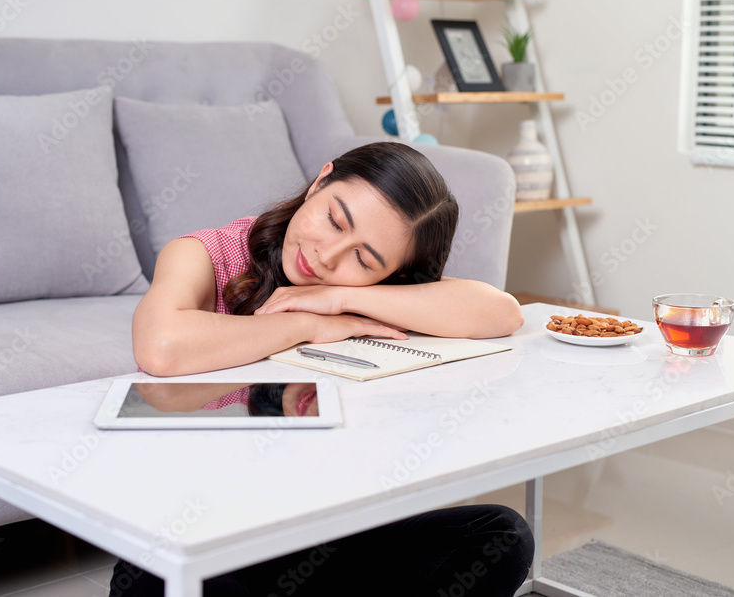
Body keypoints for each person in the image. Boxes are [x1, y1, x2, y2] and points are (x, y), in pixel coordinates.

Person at [110, 142, 532, 597]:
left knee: (502, 534)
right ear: (320, 180)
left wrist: (341, 298)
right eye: (334, 220)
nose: (328, 257)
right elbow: (161, 347)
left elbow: (501, 314)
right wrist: (306, 323)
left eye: (363, 259)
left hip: (320, 539)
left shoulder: (359, 296)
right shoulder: (205, 255)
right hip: (200, 537)